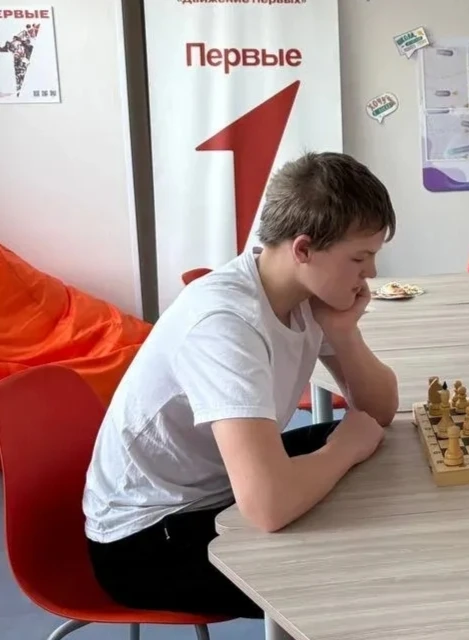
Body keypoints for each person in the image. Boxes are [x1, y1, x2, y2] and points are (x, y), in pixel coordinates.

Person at [82, 151, 400, 618]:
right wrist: (344, 448)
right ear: (303, 250)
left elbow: (379, 411)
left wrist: (343, 333)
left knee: (383, 451)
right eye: (360, 257)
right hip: (148, 537)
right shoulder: (225, 324)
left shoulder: (304, 294)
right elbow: (268, 505)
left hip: (219, 486)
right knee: (363, 574)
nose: (370, 274)